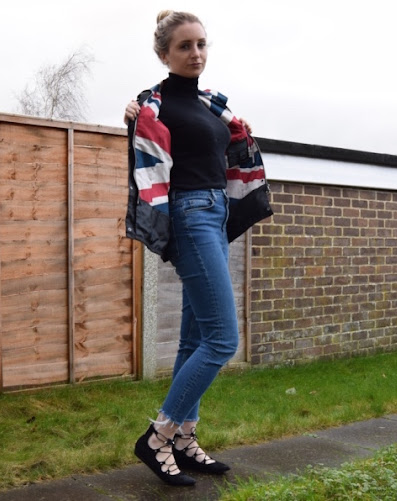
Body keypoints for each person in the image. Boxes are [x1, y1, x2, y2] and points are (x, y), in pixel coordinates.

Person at [123, 10, 273, 487]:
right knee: (223, 340)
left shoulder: (212, 106)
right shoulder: (153, 104)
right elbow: (144, 145)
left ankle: (185, 439)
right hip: (190, 215)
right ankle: (158, 436)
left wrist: (239, 132)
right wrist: (131, 115)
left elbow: (223, 151)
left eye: (201, 44)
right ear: (164, 54)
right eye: (184, 46)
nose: (196, 53)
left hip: (215, 213)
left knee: (194, 340)